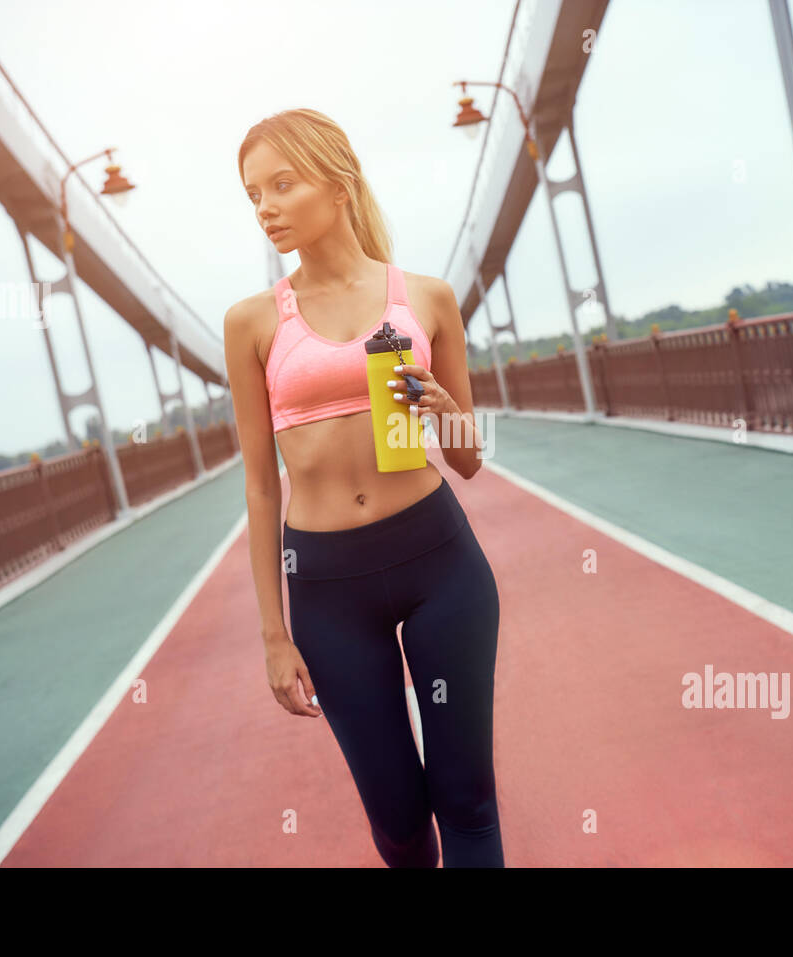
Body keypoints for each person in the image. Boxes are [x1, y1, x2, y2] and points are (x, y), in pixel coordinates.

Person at [223, 109, 504, 867]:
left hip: (440, 563)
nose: (266, 207)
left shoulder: (427, 298)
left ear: (338, 183)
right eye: (254, 194)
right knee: (401, 820)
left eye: (282, 184)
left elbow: (469, 460)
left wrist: (445, 414)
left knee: (468, 800)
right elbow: (258, 486)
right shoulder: (251, 323)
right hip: (325, 588)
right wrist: (274, 637)